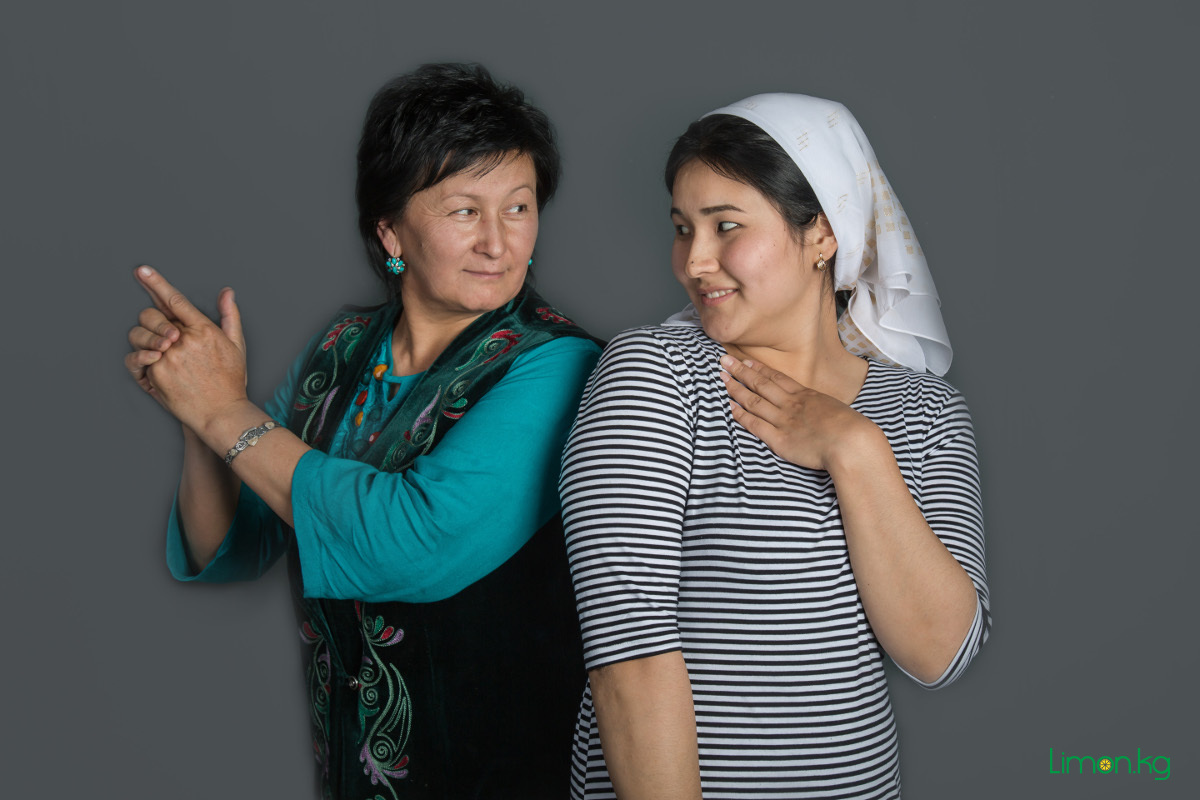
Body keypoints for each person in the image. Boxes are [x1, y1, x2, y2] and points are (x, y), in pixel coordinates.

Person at [124, 63, 601, 799]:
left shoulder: (559, 365)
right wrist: (198, 413)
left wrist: (225, 411)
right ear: (390, 229)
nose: (498, 242)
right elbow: (231, 546)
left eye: (519, 207)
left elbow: (408, 542)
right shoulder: (342, 349)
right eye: (463, 211)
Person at [560, 93, 990, 799]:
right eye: (682, 229)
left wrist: (855, 449)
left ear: (822, 234)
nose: (694, 261)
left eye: (725, 225)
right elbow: (629, 658)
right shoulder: (655, 374)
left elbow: (940, 653)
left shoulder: (925, 412)